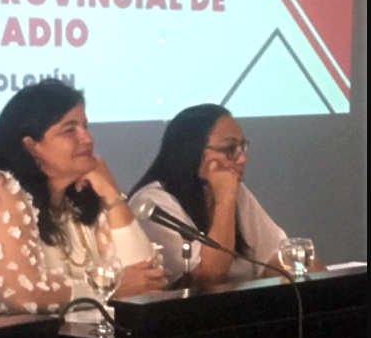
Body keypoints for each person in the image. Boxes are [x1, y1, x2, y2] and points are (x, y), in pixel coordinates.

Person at [0, 80, 166, 315]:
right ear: (31, 146)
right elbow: (24, 297)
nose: (87, 138)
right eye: (69, 130)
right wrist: (108, 290)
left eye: (85, 126)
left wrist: (113, 195)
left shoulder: (82, 192)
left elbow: (145, 277)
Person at [129, 104, 325, 287]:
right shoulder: (153, 202)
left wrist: (307, 273)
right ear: (194, 152)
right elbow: (208, 277)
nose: (242, 158)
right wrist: (225, 200)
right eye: (230, 149)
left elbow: (274, 254)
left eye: (243, 147)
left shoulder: (235, 191)